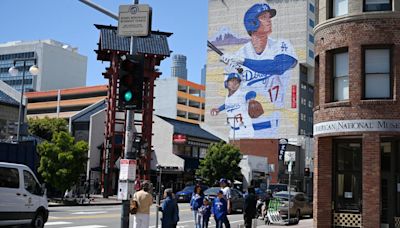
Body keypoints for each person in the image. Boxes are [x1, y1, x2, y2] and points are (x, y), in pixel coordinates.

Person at [218, 3, 298, 138]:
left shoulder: (281, 45)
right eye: (264, 17)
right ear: (253, 22)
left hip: (272, 128)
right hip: (242, 128)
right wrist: (230, 70)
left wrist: (243, 62)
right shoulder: (239, 54)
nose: (269, 20)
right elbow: (231, 93)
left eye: (269, 17)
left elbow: (278, 67)